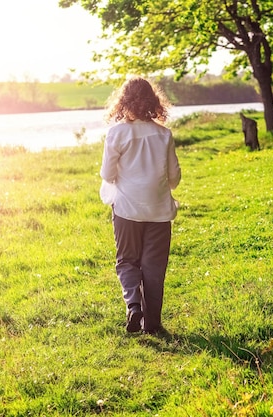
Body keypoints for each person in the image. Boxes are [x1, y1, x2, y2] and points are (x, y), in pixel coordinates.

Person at [99, 77, 181, 338]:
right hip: (158, 209)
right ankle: (152, 324)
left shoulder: (116, 133)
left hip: (126, 209)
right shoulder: (164, 134)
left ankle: (134, 306)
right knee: (154, 267)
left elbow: (107, 173)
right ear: (153, 102)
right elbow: (175, 177)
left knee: (127, 261)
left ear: (123, 102)